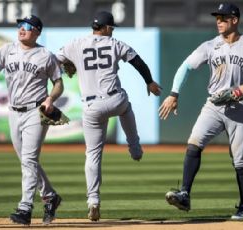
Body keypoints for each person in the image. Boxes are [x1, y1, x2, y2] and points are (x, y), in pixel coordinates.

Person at [159, 3, 243, 220]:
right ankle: (184, 194)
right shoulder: (210, 46)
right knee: (194, 143)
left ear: (235, 20)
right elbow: (185, 66)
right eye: (217, 18)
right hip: (214, 104)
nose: (218, 21)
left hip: (241, 107)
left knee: (240, 160)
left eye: (223, 17)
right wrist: (174, 93)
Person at [56, 11, 162, 221]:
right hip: (114, 100)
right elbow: (138, 62)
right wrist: (149, 81)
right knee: (126, 107)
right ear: (104, 28)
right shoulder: (115, 44)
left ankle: (93, 200)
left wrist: (65, 64)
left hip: (91, 106)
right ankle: (134, 147)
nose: (111, 31)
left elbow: (53, 60)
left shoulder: (76, 43)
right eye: (111, 28)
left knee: (93, 154)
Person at [0, 15, 63, 225]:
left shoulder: (45, 55)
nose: (22, 29)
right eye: (20, 25)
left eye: (28, 26)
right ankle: (50, 195)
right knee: (26, 160)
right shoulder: (7, 50)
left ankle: (25, 207)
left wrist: (51, 97)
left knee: (29, 160)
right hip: (14, 111)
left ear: (37, 32)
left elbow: (58, 83)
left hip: (36, 111)